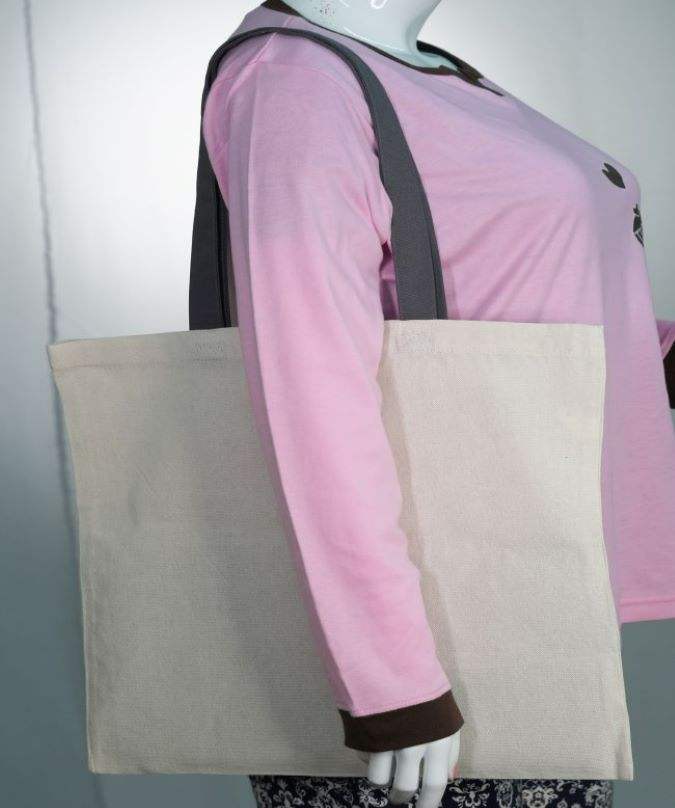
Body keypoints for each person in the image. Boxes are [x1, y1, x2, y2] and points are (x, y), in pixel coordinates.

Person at [202, 1, 675, 805]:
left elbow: (510, 297)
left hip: (529, 586)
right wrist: (392, 688)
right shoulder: (296, 79)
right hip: (431, 656)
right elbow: (308, 390)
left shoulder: (422, 69)